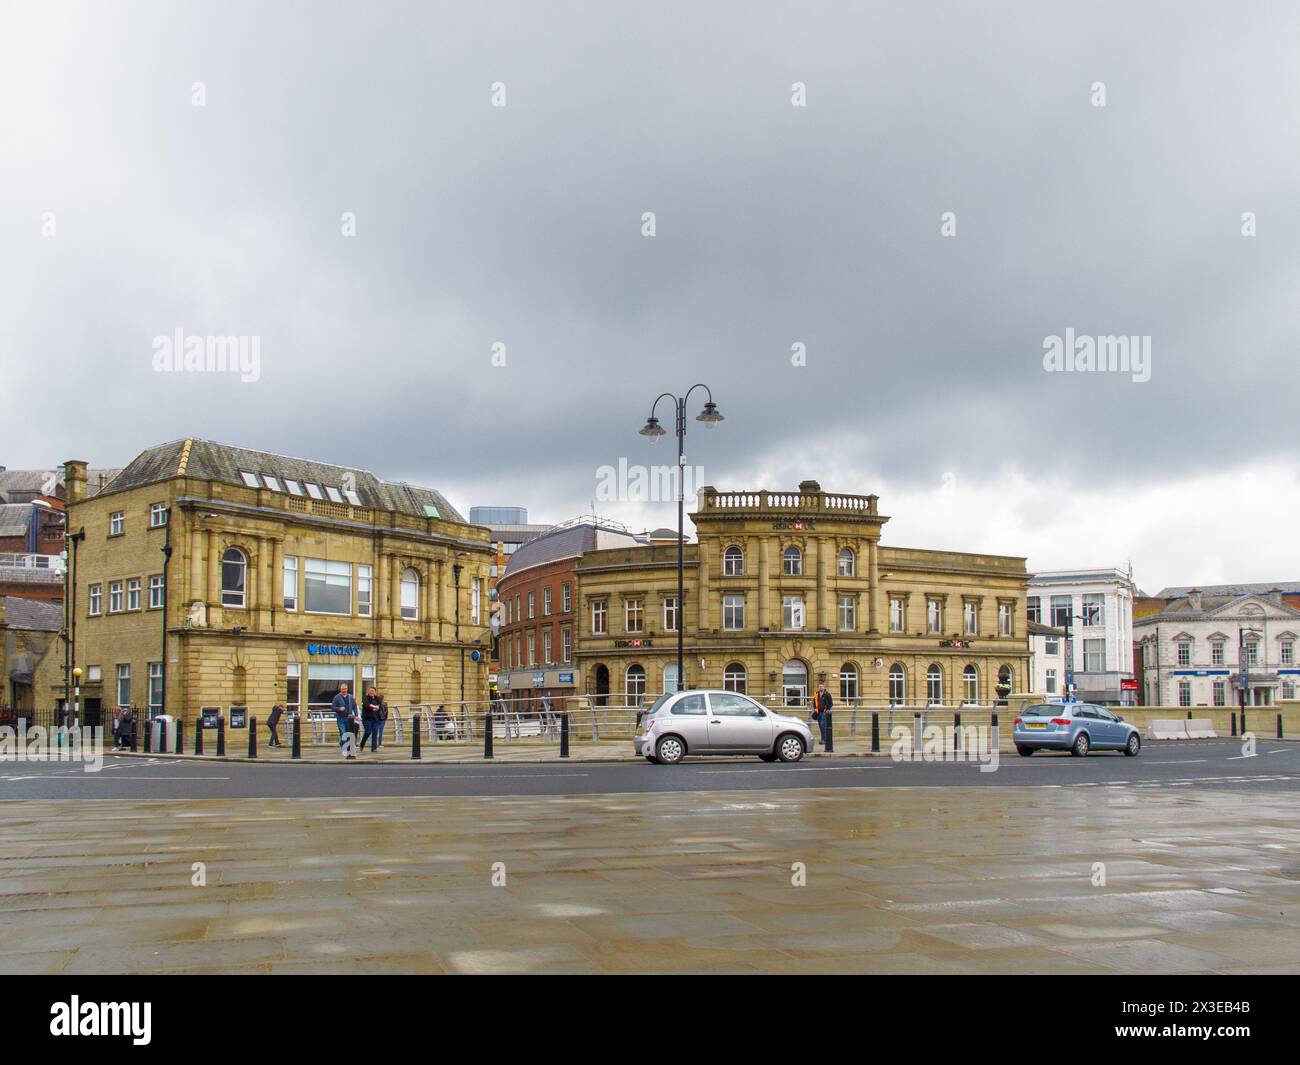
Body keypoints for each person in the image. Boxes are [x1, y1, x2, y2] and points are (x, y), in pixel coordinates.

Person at [331, 683, 359, 758]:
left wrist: (356, 715)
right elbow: (333, 707)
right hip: (340, 718)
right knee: (343, 732)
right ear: (341, 689)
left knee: (348, 733)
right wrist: (339, 709)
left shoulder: (350, 697)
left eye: (345, 689)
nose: (344, 690)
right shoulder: (337, 697)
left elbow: (354, 706)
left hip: (349, 718)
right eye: (343, 689)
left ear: (347, 689)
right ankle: (344, 749)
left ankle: (342, 744)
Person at [810, 682, 833, 749]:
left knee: (823, 725)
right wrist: (814, 708)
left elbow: (831, 703)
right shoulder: (816, 694)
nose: (820, 687)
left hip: (824, 712)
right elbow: (814, 702)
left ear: (824, 687)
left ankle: (824, 739)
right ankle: (823, 739)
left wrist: (827, 709)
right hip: (818, 712)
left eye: (822, 686)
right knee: (820, 726)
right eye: (819, 686)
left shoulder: (827, 694)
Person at [360, 686, 383, 753]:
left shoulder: (377, 698)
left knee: (375, 732)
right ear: (368, 691)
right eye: (370, 690)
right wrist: (375, 706)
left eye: (372, 691)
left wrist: (376, 707)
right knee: (367, 732)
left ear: (375, 692)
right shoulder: (365, 698)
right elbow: (367, 706)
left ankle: (374, 748)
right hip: (367, 719)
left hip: (376, 719)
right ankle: (362, 745)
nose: (371, 692)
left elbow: (381, 706)